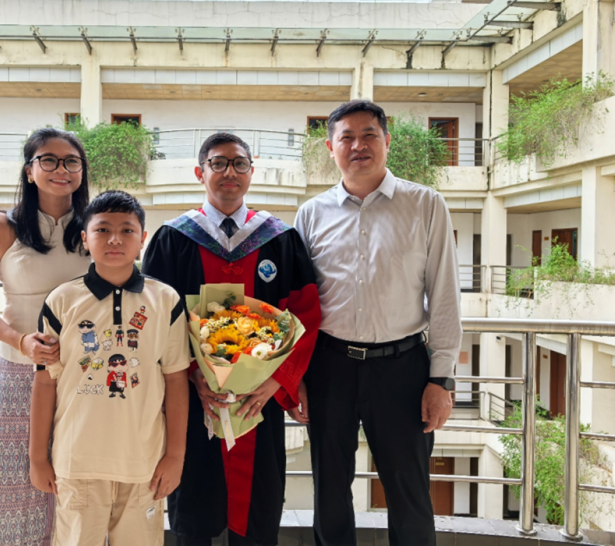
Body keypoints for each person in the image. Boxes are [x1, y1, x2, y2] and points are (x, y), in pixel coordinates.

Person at [294, 99, 462, 546]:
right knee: (329, 489)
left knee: (409, 491)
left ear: (387, 141)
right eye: (346, 137)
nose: (358, 146)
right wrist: (297, 376)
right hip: (330, 367)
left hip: (402, 367)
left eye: (369, 135)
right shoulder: (311, 214)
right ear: (331, 148)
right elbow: (301, 306)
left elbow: (444, 295)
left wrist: (441, 379)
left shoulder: (426, 205)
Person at [142, 133, 321, 546]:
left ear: (251, 172)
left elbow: (307, 313)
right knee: (193, 509)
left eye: (239, 164)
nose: (229, 173)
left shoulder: (278, 238)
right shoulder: (173, 238)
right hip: (192, 400)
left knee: (258, 513)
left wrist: (276, 380)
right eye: (218, 163)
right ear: (200, 172)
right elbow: (155, 318)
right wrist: (191, 374)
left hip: (260, 400)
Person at [29, 190, 190, 546]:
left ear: (143, 239)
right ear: (85, 238)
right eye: (102, 230)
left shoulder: (166, 301)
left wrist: (175, 456)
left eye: (127, 230)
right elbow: (44, 384)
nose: (115, 239)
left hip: (144, 466)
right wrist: (37, 457)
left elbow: (177, 379)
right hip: (77, 463)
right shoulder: (62, 301)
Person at [0, 128, 91, 546]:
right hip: (19, 371)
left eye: (71, 161)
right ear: (29, 169)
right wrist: (21, 341)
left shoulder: (95, 225)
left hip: (84, 372)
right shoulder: (0, 226)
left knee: (80, 479)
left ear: (82, 170)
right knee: (18, 484)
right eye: (48, 160)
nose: (61, 169)